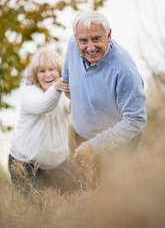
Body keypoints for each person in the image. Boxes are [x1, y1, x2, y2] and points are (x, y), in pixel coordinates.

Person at [62, 11, 147, 173]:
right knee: (87, 191)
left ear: (108, 35)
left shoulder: (124, 71)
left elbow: (136, 120)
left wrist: (94, 145)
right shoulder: (73, 44)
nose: (90, 47)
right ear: (76, 38)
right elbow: (67, 74)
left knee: (111, 196)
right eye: (83, 40)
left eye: (96, 39)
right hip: (82, 137)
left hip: (118, 144)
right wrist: (66, 85)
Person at [8, 49, 84, 196]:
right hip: (24, 163)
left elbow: (76, 107)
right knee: (38, 210)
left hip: (56, 163)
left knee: (81, 195)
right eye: (42, 71)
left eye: (51, 69)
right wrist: (56, 88)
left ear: (59, 71)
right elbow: (43, 105)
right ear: (36, 75)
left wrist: (77, 90)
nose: (47, 74)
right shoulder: (30, 94)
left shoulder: (62, 94)